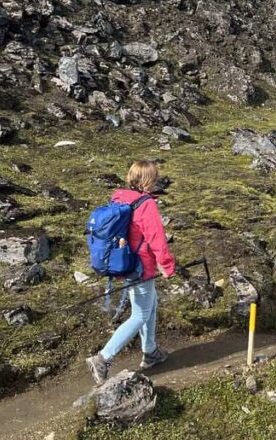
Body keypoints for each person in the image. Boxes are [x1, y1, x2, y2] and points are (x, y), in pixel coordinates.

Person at [87, 160, 176, 384]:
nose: (157, 181)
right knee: (139, 314)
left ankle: (151, 352)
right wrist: (167, 266)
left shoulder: (120, 197)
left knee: (149, 305)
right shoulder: (146, 205)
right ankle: (103, 358)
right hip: (141, 265)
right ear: (148, 180)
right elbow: (157, 239)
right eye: (154, 177)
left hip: (125, 261)